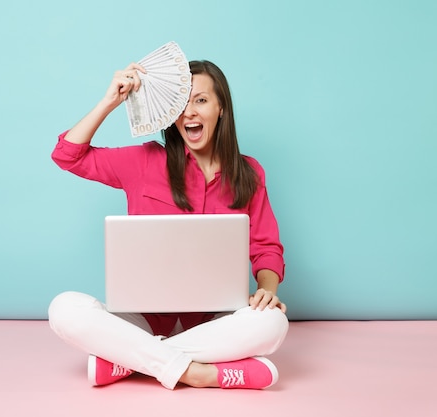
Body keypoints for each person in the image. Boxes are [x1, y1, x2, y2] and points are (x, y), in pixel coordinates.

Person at [48, 59, 289, 390]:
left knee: (273, 322)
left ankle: (132, 362)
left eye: (201, 100)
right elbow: (67, 155)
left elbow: (266, 248)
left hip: (213, 323)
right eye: (181, 104)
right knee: (64, 309)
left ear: (221, 109)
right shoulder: (144, 161)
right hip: (141, 319)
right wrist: (110, 101)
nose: (189, 113)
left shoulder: (249, 173)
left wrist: (267, 291)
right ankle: (200, 372)